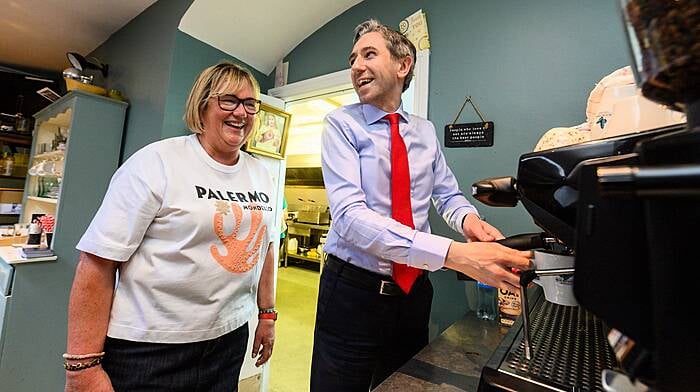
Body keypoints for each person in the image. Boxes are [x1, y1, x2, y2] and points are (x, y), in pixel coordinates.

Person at [310, 19, 532, 391]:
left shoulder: (425, 131)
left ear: (403, 64)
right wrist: (455, 255)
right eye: (352, 59)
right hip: (351, 294)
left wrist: (469, 222)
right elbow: (350, 219)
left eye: (368, 54)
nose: (356, 66)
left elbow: (447, 195)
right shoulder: (341, 125)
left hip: (413, 295)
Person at [64, 61, 278, 392]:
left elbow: (265, 247)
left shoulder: (261, 174)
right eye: (229, 101)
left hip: (228, 341)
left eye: (250, 104)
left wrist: (267, 315)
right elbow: (97, 262)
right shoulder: (157, 162)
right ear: (203, 105)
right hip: (151, 349)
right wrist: (82, 368)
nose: (242, 113)